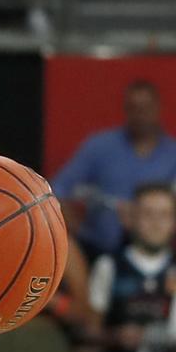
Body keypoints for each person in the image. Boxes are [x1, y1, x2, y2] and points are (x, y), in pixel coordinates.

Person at [88, 183, 176, 352]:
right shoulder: (110, 266)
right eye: (148, 213)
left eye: (164, 214)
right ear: (131, 217)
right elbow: (89, 328)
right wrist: (115, 336)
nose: (155, 223)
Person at [53, 80, 176, 259]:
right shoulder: (99, 147)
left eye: (146, 107)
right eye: (135, 108)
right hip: (99, 251)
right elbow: (56, 191)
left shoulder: (172, 153)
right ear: (126, 110)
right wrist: (81, 231)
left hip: (161, 257)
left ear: (158, 108)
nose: (141, 114)